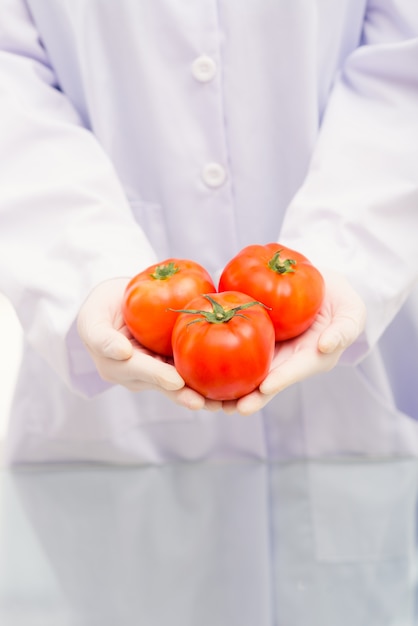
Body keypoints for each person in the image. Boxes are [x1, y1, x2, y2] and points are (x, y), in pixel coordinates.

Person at [0, 0, 417, 464]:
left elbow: (404, 63)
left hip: (351, 398)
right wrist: (87, 268)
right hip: (112, 439)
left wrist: (346, 250)